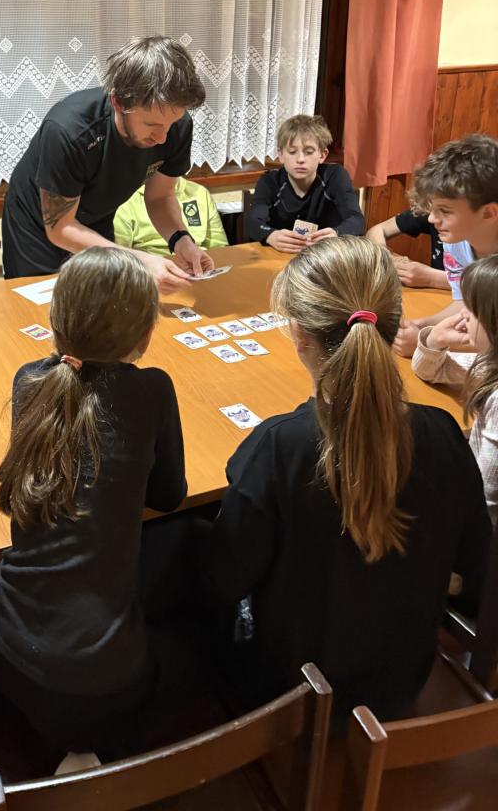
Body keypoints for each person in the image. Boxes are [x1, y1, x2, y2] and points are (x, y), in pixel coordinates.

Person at [200, 236, 490, 725]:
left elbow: (223, 580)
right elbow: (474, 559)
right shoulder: (442, 432)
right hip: (402, 682)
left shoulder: (280, 445)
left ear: (300, 337)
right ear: (394, 322)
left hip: (295, 695)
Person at [0, 248, 218, 759]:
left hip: (8, 655)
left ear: (54, 322)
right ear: (146, 335)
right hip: (106, 683)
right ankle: (99, 757)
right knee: (199, 634)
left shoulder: (28, 379)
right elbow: (168, 496)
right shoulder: (151, 388)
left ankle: (68, 752)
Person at [0, 37, 214, 293]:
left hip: (96, 218)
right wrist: (139, 261)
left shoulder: (177, 127)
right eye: (152, 125)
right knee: (40, 306)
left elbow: (159, 197)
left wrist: (181, 240)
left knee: (103, 299)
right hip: (38, 225)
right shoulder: (70, 130)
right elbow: (61, 228)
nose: (162, 137)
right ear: (118, 102)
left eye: (172, 123)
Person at [412, 255, 498, 527]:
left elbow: (487, 498)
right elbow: (430, 370)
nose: (462, 315)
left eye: (472, 309)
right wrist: (435, 340)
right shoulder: (488, 362)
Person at [394, 134, 498, 356]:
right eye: (432, 208)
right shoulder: (457, 239)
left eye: (445, 211)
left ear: (489, 213)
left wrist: (429, 341)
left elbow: (491, 339)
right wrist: (422, 325)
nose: (432, 219)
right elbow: (466, 306)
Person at [245, 114, 364, 253]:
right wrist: (271, 235)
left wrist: (336, 233)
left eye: (308, 152)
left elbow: (357, 220)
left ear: (322, 155)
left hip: (325, 256)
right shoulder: (270, 181)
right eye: (292, 152)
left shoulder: (334, 176)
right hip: (280, 256)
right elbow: (252, 221)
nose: (300, 159)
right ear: (281, 155)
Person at [113, 176, 228, 255]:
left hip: (198, 268)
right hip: (150, 272)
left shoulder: (200, 192)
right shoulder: (127, 199)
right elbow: (119, 256)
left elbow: (220, 247)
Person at [366, 208, 448, 290]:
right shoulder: (429, 212)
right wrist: (385, 256)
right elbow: (377, 230)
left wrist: (431, 278)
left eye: (445, 211)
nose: (431, 219)